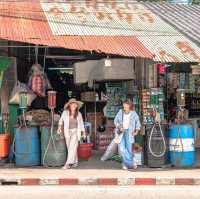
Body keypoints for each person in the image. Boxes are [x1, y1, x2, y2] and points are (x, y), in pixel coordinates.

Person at [57, 98, 85, 169]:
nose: (74, 105)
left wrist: (83, 133)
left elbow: (81, 124)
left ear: (76, 105)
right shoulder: (65, 113)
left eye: (75, 104)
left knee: (72, 147)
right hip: (67, 132)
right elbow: (61, 121)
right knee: (70, 148)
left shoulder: (79, 114)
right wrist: (59, 128)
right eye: (72, 104)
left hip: (75, 132)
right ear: (69, 105)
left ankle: (68, 164)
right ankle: (75, 162)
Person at [114, 100, 141, 170]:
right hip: (121, 132)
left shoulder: (133, 113)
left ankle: (125, 164)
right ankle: (131, 163)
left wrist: (137, 131)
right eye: (124, 105)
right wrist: (119, 127)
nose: (124, 106)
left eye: (126, 105)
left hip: (129, 132)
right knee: (122, 149)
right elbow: (115, 121)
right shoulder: (120, 112)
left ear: (129, 105)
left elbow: (138, 122)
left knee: (129, 149)